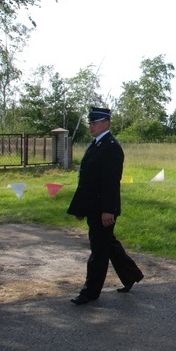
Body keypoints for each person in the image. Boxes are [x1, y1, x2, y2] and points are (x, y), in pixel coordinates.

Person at [67, 107, 144, 305]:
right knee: (107, 244)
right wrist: (80, 208)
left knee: (99, 251)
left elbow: (111, 182)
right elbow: (88, 180)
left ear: (106, 123)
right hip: (94, 206)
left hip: (104, 208)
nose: (91, 126)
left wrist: (108, 210)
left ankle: (90, 292)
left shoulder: (111, 147)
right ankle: (131, 274)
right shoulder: (96, 145)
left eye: (94, 122)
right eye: (90, 123)